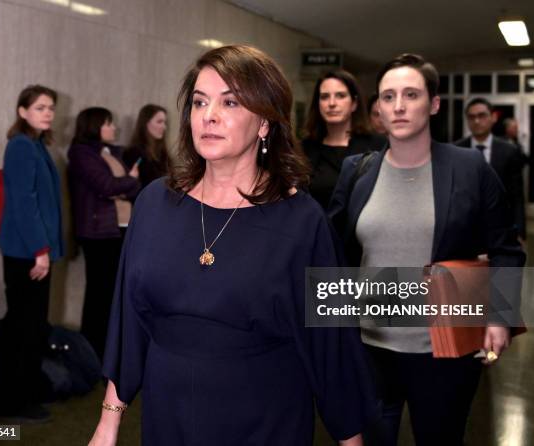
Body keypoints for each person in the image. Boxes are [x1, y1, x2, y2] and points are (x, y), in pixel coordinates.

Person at [89, 44, 377, 446]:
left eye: (231, 103)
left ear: (264, 123)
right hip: (167, 415)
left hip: (264, 417)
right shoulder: (155, 203)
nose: (209, 115)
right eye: (200, 102)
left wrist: (351, 439)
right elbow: (129, 321)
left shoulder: (301, 220)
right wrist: (108, 423)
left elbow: (331, 347)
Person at [329, 54, 525, 446]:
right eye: (388, 97)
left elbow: (505, 247)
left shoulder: (469, 168)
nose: (399, 106)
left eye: (411, 94)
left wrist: (499, 317)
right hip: (369, 349)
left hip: (443, 351)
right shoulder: (358, 171)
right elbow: (334, 252)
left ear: (433, 104)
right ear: (379, 108)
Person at [0, 85, 64, 421]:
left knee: (32, 325)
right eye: (40, 107)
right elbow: (24, 203)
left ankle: (28, 390)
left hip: (35, 251)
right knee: (24, 327)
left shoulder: (36, 145)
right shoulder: (21, 146)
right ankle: (14, 402)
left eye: (50, 107)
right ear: (22, 112)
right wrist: (40, 251)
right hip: (26, 252)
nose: (48, 113)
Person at [67, 107, 140, 361]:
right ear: (94, 126)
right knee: (100, 292)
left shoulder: (110, 152)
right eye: (108, 123)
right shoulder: (81, 153)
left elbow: (131, 189)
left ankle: (108, 351)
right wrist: (126, 182)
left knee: (113, 292)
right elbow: (106, 186)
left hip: (119, 229)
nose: (114, 128)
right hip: (98, 232)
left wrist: (125, 185)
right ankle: (93, 353)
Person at [303, 70, 386, 209]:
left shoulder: (377, 145)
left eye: (340, 96)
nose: (332, 103)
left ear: (354, 103)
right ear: (317, 104)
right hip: (317, 228)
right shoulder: (304, 148)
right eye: (324, 97)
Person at [455, 98, 526, 239]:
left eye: (482, 116)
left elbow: (516, 196)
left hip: (499, 228)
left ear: (493, 117)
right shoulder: (456, 149)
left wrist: (520, 231)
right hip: (463, 229)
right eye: (471, 117)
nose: (476, 121)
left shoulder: (509, 151)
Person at [123, 104, 171, 188]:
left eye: (165, 122)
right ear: (146, 123)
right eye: (159, 122)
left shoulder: (162, 152)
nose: (164, 127)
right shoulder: (133, 153)